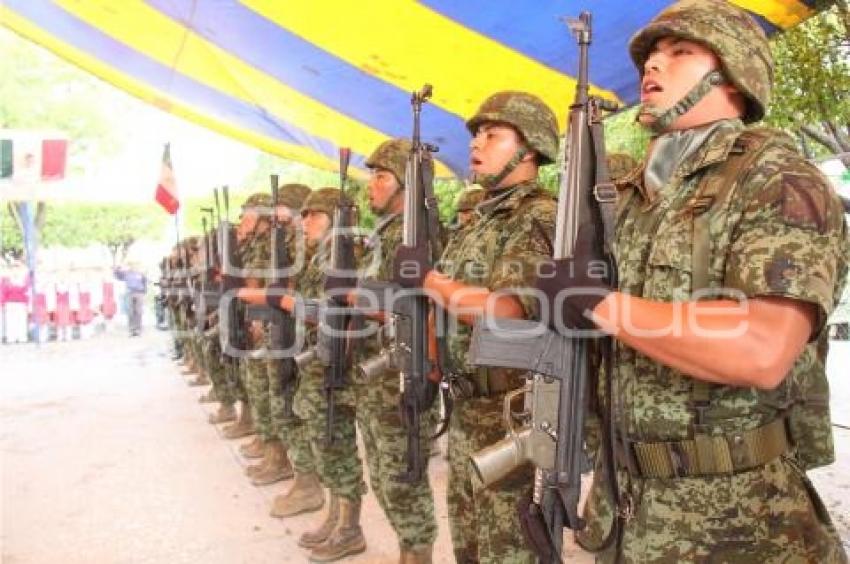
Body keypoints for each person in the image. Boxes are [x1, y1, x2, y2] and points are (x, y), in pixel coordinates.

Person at [535, 1, 850, 561]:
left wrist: (598, 303)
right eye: (650, 56)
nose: (652, 66)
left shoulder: (778, 181)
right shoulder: (621, 197)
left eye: (680, 52)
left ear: (733, 74)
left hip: (735, 519)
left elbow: (762, 349)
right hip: (622, 506)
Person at [393, 91, 560, 563]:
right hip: (468, 408)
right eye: (475, 136)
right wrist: (427, 360)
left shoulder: (537, 216)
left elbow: (503, 311)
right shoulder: (480, 221)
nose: (476, 144)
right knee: (469, 546)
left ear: (529, 150)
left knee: (508, 548)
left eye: (493, 135)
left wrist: (427, 277)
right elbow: (440, 306)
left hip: (509, 413)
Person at [350, 138, 439, 563]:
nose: (372, 185)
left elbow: (427, 313)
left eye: (381, 176)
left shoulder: (424, 237)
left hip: (404, 376)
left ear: (407, 185)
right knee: (385, 478)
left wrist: (362, 302)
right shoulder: (383, 236)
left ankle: (417, 555)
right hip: (376, 376)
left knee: (405, 480)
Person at [113, 262, 147, 336]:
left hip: (139, 293)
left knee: (138, 311)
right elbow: (118, 276)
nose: (132, 266)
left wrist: (144, 292)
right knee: (130, 311)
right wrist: (116, 269)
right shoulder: (126, 273)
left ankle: (138, 329)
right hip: (130, 293)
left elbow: (145, 282)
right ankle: (132, 329)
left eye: (134, 265)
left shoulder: (140, 273)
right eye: (130, 265)